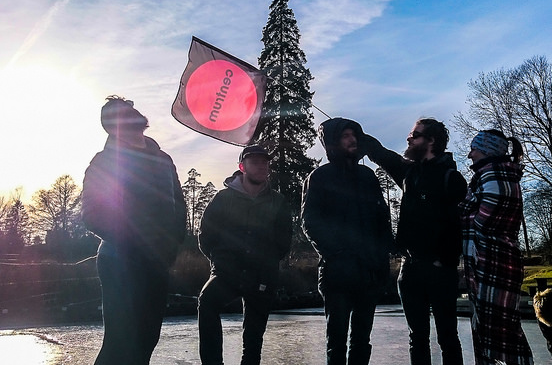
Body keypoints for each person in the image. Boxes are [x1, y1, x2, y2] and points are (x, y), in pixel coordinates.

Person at [81, 95, 187, 365]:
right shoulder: (103, 162)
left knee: (147, 339)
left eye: (130, 111)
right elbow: (93, 214)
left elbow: (179, 203)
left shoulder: (163, 158)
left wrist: (172, 245)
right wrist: (132, 239)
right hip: (120, 260)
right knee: (119, 342)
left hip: (157, 261)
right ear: (111, 127)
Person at [360, 118, 467, 365]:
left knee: (447, 337)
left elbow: (460, 226)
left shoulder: (452, 178)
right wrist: (355, 133)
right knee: (416, 337)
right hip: (410, 271)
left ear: (431, 141)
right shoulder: (410, 173)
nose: (409, 139)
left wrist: (445, 261)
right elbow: (381, 154)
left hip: (442, 271)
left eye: (415, 135)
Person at [301, 117, 394, 365]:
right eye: (345, 136)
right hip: (338, 274)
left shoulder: (367, 176)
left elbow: (382, 219)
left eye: (354, 135)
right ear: (332, 142)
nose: (352, 140)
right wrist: (337, 254)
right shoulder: (319, 177)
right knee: (337, 340)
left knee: (362, 340)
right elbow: (310, 222)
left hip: (370, 272)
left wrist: (382, 258)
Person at [198, 145, 292, 365]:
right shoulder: (223, 198)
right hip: (227, 272)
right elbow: (206, 235)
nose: (261, 166)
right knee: (207, 302)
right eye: (255, 162)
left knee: (253, 337)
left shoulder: (277, 201)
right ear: (242, 167)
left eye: (265, 162)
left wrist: (267, 262)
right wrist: (219, 262)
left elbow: (283, 239)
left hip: (262, 275)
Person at [459, 129, 533, 365]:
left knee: (502, 331)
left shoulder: (495, 175)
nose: (470, 154)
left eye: (474, 148)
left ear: (486, 150)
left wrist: (463, 210)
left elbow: (486, 220)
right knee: (490, 328)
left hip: (494, 263)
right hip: (487, 263)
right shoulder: (490, 175)